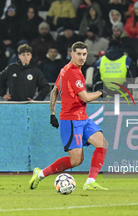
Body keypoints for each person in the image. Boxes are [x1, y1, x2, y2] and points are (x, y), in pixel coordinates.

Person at [28, 41, 109, 191]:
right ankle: (40, 174)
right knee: (76, 160)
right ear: (71, 54)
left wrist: (52, 113)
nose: (82, 57)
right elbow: (85, 97)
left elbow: (55, 90)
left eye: (84, 54)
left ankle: (90, 182)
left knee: (102, 144)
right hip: (71, 120)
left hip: (82, 118)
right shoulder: (72, 72)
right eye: (78, 54)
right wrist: (101, 92)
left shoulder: (65, 69)